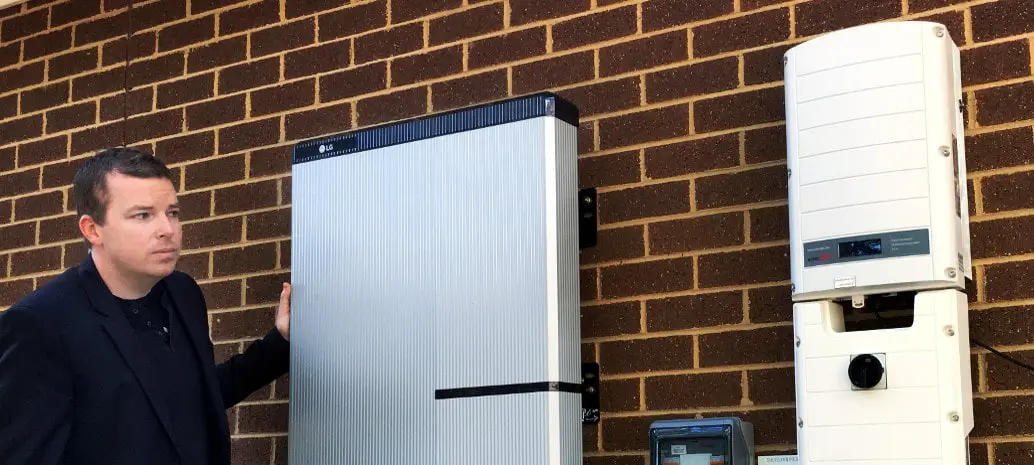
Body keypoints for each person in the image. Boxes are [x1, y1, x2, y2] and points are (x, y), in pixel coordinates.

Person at [0, 147, 291, 465]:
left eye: (173, 212)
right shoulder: (41, 323)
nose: (168, 229)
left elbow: (194, 397)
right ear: (92, 229)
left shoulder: (183, 293)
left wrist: (279, 343)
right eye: (143, 215)